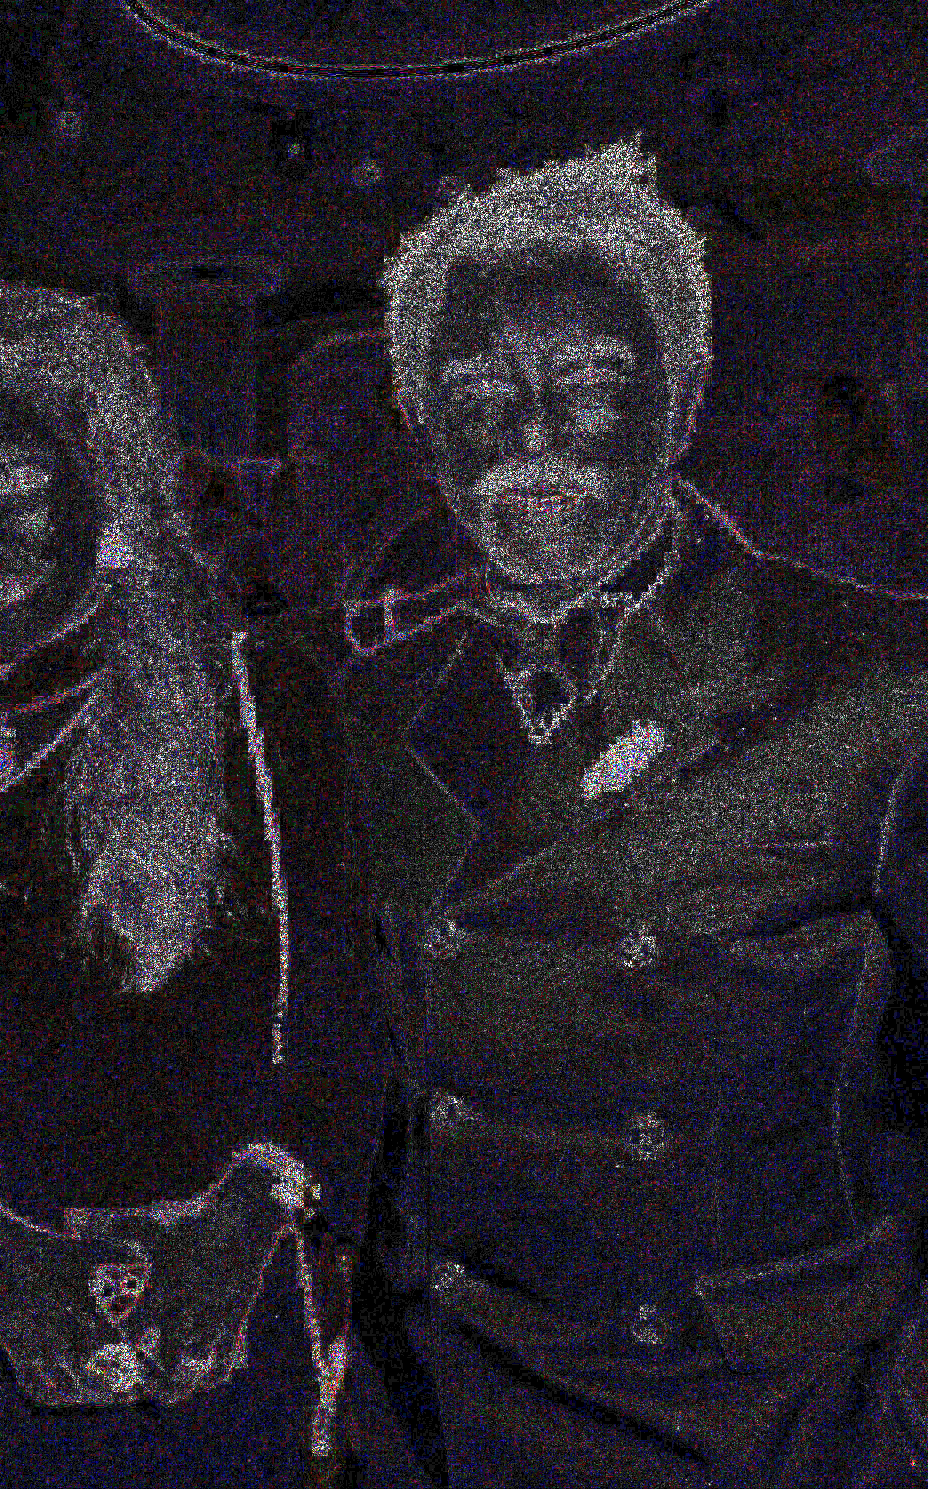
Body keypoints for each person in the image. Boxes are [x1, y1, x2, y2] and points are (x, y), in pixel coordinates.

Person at [339, 138, 928, 1488]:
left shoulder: (878, 687)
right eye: (477, 390)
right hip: (440, 1423)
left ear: (684, 394)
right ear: (419, 419)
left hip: (767, 1428)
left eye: (591, 383)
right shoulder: (373, 707)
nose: (530, 435)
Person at [0, 283, 382, 1488]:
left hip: (209, 1342)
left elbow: (343, 1010)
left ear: (110, 485)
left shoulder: (262, 705)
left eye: (18, 482)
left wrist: (244, 1221)